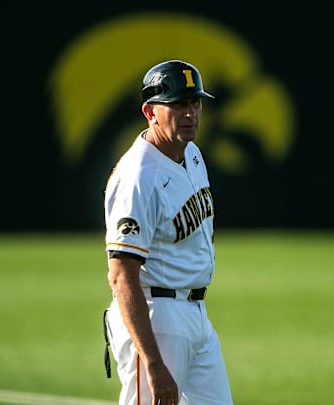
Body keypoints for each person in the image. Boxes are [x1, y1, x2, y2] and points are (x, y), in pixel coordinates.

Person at [102, 59, 233, 405]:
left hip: (196, 316)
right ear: (150, 111)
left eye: (194, 102)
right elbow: (121, 276)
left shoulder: (191, 154)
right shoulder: (138, 176)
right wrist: (153, 362)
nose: (189, 113)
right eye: (176, 104)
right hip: (157, 317)